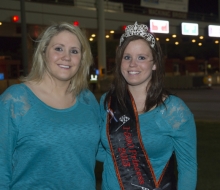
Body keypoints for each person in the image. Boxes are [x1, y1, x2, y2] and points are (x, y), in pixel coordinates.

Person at [0, 22, 100, 189]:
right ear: (43, 52)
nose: (66, 57)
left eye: (74, 51)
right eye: (59, 48)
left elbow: (105, 150)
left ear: (82, 59)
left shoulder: (87, 100)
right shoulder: (16, 100)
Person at [98, 22, 197, 190]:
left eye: (141, 58)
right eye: (127, 57)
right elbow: (104, 150)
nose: (132, 64)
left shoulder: (174, 110)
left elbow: (188, 169)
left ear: (154, 64)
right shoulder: (107, 102)